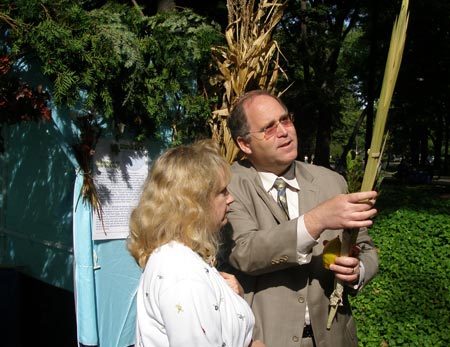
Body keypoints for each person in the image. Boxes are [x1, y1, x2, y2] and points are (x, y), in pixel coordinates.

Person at [218, 90, 379, 347]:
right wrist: (317, 220)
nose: (283, 131)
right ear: (245, 144)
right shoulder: (226, 186)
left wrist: (357, 270)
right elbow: (244, 252)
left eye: (285, 120)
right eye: (268, 128)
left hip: (333, 337)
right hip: (264, 339)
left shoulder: (331, 181)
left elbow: (367, 248)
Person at [127, 139, 266, 347]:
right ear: (194, 203)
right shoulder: (182, 273)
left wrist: (227, 298)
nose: (231, 199)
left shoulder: (182, 258)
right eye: (222, 192)